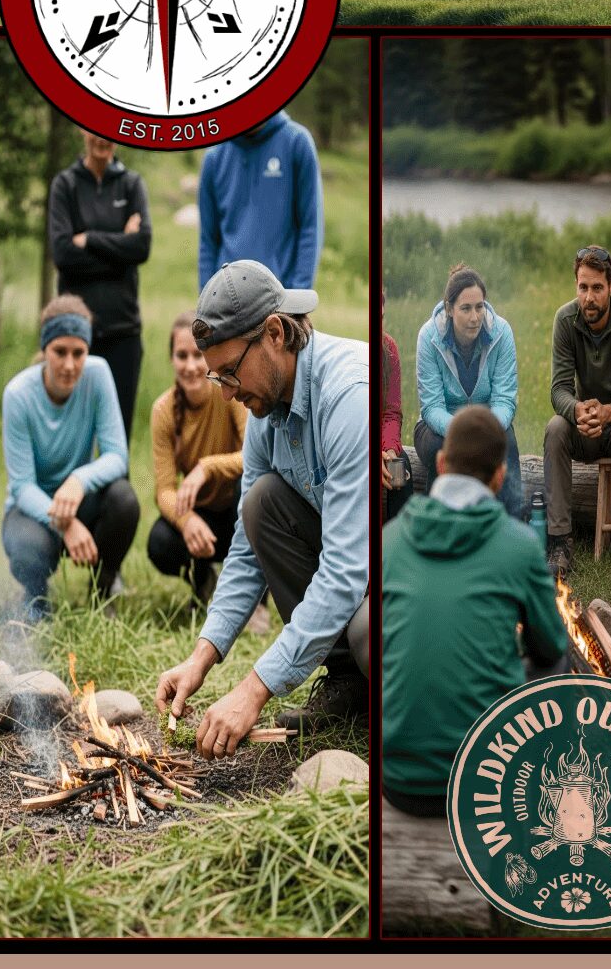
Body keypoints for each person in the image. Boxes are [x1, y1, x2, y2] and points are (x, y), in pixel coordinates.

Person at [155, 261, 368, 750]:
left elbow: (344, 571)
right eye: (217, 379)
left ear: (275, 332)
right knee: (259, 505)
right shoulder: (265, 412)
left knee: (366, 635)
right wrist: (201, 657)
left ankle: (381, 687)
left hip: (393, 572)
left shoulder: (346, 396)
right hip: (354, 571)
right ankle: (347, 682)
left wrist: (253, 691)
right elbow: (246, 549)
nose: (227, 393)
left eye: (230, 372)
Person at [382, 406, 568, 815]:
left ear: (442, 463)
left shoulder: (390, 541)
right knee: (557, 663)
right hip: (486, 782)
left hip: (399, 782)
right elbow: (551, 645)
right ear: (500, 476)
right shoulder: (519, 544)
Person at [1, 295, 139, 621]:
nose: (69, 364)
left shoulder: (98, 375)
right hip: (33, 510)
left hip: (79, 500)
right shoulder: (18, 395)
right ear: (45, 349)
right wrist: (66, 525)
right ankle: (36, 598)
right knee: (24, 544)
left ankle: (102, 591)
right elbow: (22, 486)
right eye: (59, 352)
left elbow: (118, 455)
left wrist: (79, 480)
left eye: (79, 353)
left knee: (124, 500)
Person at [543, 245, 611, 579]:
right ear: (576, 285)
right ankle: (560, 541)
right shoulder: (565, 319)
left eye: (597, 288)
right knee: (555, 427)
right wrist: (577, 410)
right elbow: (558, 388)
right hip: (585, 427)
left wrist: (607, 413)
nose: (589, 297)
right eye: (583, 287)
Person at [48, 132, 152, 440]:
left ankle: (116, 490)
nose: (101, 137)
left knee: (118, 437)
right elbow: (64, 254)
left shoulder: (132, 184)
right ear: (81, 130)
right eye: (94, 127)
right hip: (75, 336)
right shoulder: (64, 185)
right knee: (72, 438)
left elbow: (142, 247)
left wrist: (89, 239)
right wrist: (121, 243)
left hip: (123, 332)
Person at [148, 313, 248, 605]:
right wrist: (187, 520)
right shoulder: (163, 410)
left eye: (197, 355)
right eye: (181, 356)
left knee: (252, 487)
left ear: (210, 357)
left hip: (237, 511)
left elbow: (255, 458)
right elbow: (164, 490)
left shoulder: (229, 393)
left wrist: (207, 467)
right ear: (171, 360)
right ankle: (203, 580)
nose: (190, 366)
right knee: (160, 542)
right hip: (202, 517)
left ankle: (256, 596)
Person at [414, 264, 523, 518]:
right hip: (440, 425)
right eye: (465, 308)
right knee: (439, 447)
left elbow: (505, 399)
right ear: (450, 309)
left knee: (506, 442)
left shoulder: (502, 332)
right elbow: (431, 407)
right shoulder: (428, 336)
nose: (475, 317)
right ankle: (441, 521)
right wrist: (464, 433)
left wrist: (485, 431)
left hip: (489, 421)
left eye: (479, 307)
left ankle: (512, 523)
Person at [197, 109, 323, 291]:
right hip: (227, 299)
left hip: (282, 296)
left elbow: (310, 227)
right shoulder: (214, 157)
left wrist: (298, 297)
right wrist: (207, 299)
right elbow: (208, 240)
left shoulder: (297, 143)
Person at [381, 286, 413, 522]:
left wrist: (390, 449)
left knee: (401, 465)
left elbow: (391, 411)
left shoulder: (388, 347)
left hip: (382, 440)